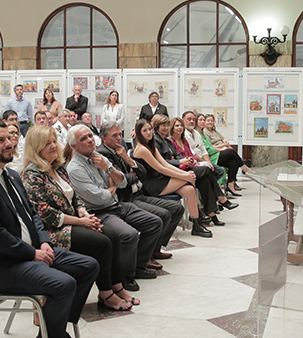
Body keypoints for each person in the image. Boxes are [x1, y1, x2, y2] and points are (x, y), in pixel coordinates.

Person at [0, 121, 99, 338]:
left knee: (88, 266)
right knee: (63, 283)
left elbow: (32, 215)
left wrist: (44, 243)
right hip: (3, 265)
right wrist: (31, 252)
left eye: (9, 139)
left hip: (31, 252)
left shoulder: (11, 175)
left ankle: (55, 333)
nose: (8, 144)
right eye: (0, 141)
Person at [22, 126, 134, 311]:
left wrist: (83, 212)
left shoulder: (57, 167)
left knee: (112, 235)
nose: (52, 146)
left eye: (53, 141)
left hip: (73, 221)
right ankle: (105, 294)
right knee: (101, 243)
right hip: (51, 231)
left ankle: (117, 286)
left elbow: (75, 197)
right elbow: (44, 213)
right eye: (46, 143)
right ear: (35, 148)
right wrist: (81, 221)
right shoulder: (32, 174)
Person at [66, 124, 164, 289]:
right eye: (84, 138)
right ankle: (125, 276)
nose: (90, 140)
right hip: (98, 212)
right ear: (73, 146)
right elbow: (100, 199)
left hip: (117, 204)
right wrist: (112, 187)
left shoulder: (98, 157)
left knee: (154, 222)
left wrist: (108, 169)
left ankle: (139, 265)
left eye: (90, 136)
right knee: (129, 234)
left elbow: (123, 181)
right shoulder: (75, 168)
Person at [98, 122, 185, 261]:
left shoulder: (120, 150)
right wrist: (132, 174)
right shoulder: (104, 154)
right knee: (163, 215)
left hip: (139, 193)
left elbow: (142, 173)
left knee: (177, 209)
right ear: (103, 138)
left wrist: (128, 160)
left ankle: (154, 249)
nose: (119, 138)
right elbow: (121, 181)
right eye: (114, 135)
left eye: (120, 134)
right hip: (128, 198)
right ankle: (143, 256)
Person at [132, 119, 212, 238]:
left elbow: (166, 164)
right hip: (151, 185)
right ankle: (198, 214)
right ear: (139, 133)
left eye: (149, 129)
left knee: (190, 190)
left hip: (161, 179)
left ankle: (196, 224)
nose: (149, 132)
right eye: (145, 130)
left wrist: (184, 173)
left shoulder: (150, 145)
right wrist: (185, 176)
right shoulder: (142, 149)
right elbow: (160, 168)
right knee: (189, 179)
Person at [170, 116, 236, 217]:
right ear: (172, 128)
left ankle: (211, 213)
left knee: (206, 179)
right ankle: (220, 199)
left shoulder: (185, 140)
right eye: (177, 126)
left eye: (180, 126)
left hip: (193, 164)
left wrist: (196, 161)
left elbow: (194, 153)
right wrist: (195, 161)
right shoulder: (171, 141)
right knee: (207, 170)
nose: (179, 128)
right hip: (182, 169)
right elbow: (176, 159)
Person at [201, 113, 249, 196]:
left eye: (212, 121)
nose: (210, 122)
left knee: (233, 162)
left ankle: (231, 185)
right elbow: (210, 147)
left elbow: (223, 138)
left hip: (220, 151)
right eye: (208, 121)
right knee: (231, 152)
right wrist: (223, 146)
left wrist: (225, 142)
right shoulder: (205, 132)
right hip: (214, 154)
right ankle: (244, 168)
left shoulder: (214, 131)